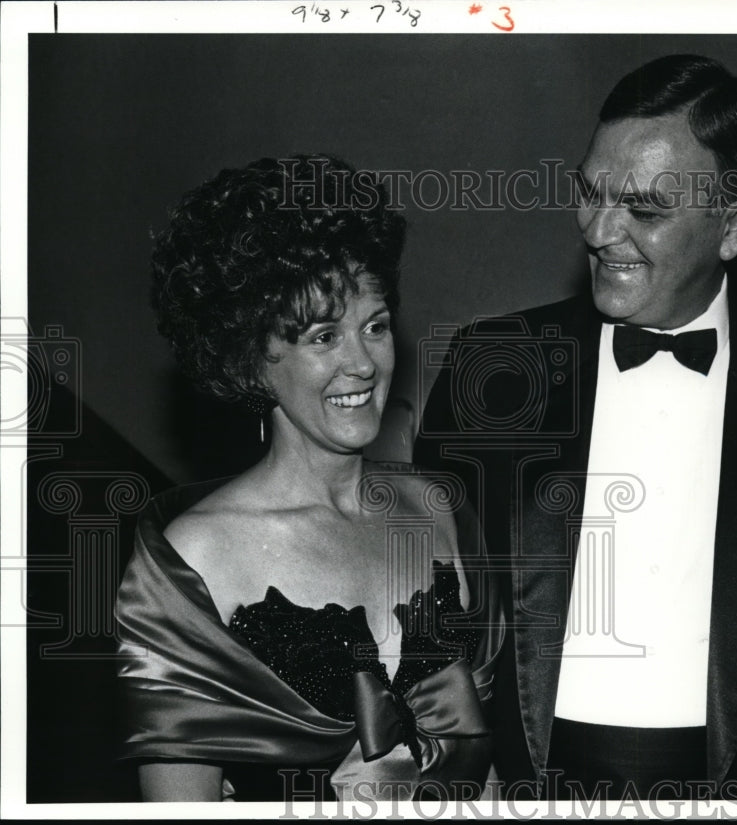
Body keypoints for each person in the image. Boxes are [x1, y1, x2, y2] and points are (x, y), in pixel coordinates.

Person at [414, 55, 737, 800]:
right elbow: (428, 592)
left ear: (733, 224)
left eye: (644, 209)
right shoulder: (496, 369)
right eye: (590, 191)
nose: (599, 229)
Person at [116, 155, 503, 802]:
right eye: (324, 336)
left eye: (375, 326)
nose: (362, 362)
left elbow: (483, 766)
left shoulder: (439, 509)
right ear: (250, 361)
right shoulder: (194, 558)